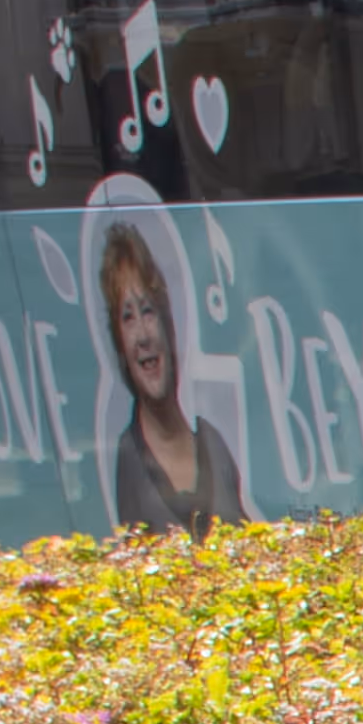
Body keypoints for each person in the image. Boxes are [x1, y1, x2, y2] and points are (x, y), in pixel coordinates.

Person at [97, 219, 239, 535]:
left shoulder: (213, 445)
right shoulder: (130, 460)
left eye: (148, 311)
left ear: (168, 325)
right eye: (128, 317)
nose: (143, 336)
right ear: (120, 345)